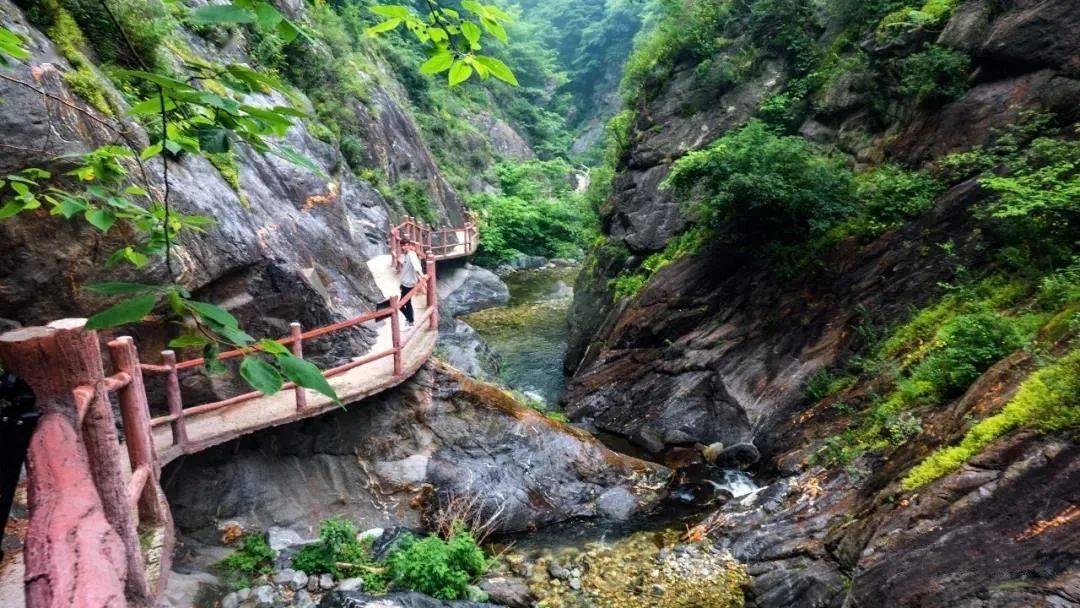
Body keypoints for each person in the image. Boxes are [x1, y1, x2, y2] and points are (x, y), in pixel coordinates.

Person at [398, 237, 426, 327]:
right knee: (407, 303)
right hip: (405, 283)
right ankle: (410, 321)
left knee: (401, 305)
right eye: (404, 245)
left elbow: (416, 266)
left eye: (407, 245)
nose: (406, 247)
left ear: (410, 246)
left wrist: (422, 275)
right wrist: (401, 283)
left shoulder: (411, 254)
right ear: (401, 246)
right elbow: (405, 271)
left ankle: (410, 321)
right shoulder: (407, 254)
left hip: (409, 284)